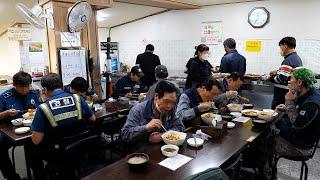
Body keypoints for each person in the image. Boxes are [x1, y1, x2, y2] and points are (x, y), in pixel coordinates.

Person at [27, 73, 96, 180]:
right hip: (80, 146)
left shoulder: (43, 107)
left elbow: (36, 140)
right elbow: (93, 119)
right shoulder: (78, 98)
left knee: (30, 149)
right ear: (62, 85)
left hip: (58, 152)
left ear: (44, 89)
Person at [257, 68, 320, 179]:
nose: (289, 82)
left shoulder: (312, 103)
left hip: (301, 147)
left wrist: (290, 103)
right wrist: (287, 109)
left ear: (300, 82)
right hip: (299, 138)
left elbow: (297, 126)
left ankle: (266, 176)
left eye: (291, 79)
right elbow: (299, 115)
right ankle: (267, 172)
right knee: (268, 133)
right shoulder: (307, 95)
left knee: (263, 142)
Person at [0, 71, 41, 180]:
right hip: (10, 130)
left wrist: (32, 113)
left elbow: (39, 109)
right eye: (20, 87)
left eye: (26, 87)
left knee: (34, 147)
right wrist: (7, 113)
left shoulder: (34, 93)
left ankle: (39, 174)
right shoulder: (5, 96)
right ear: (14, 85)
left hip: (31, 128)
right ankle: (12, 177)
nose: (24, 90)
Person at [121, 81, 184, 151]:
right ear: (156, 96)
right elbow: (125, 135)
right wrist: (146, 127)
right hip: (142, 152)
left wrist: (162, 136)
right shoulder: (138, 110)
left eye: (173, 102)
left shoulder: (172, 109)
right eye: (166, 101)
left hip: (164, 149)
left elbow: (180, 127)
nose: (169, 106)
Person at [269, 36, 303, 109]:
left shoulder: (288, 60)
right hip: (290, 93)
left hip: (282, 94)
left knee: (277, 114)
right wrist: (278, 72)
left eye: (280, 47)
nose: (280, 50)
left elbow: (281, 78)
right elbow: (289, 74)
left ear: (285, 46)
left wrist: (269, 78)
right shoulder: (297, 58)